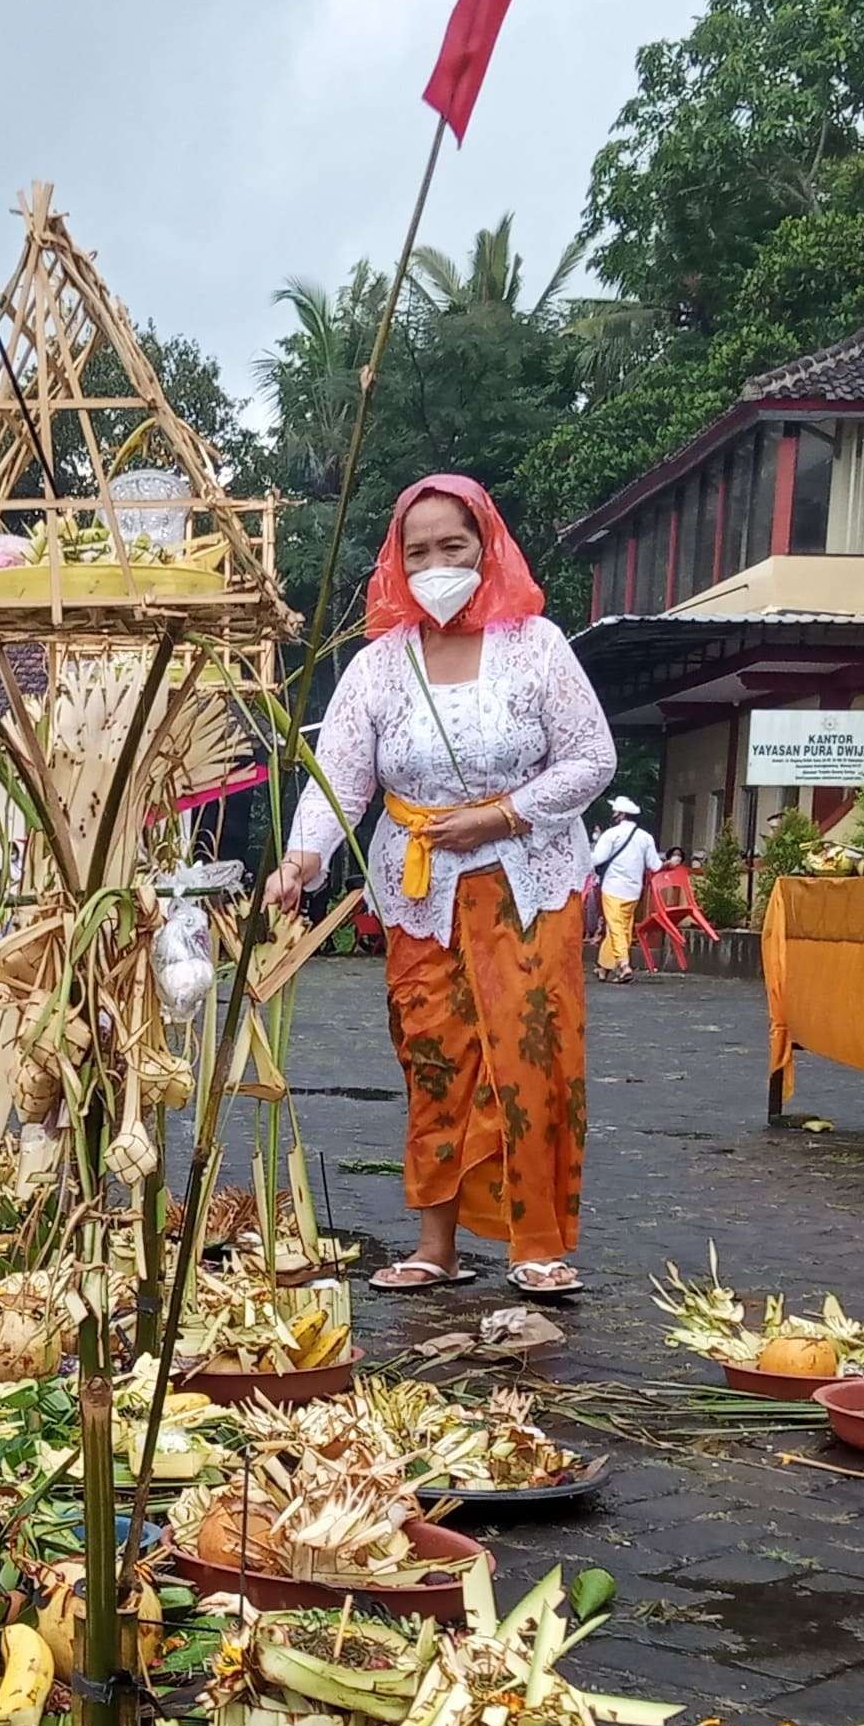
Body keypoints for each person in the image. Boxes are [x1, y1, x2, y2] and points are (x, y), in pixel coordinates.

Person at [263, 473, 615, 1300]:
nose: (435, 563)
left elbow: (592, 760)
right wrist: (301, 859)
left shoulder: (537, 645)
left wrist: (499, 819)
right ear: (397, 561)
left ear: (485, 546)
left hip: (529, 883)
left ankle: (535, 1244)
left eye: (452, 545)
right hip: (420, 894)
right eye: (416, 550)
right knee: (433, 1059)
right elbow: (340, 777)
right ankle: (436, 1246)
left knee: (530, 1055)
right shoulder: (381, 665)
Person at [589, 797, 658, 983]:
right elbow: (655, 865)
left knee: (616, 927)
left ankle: (623, 964)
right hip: (634, 889)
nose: (613, 815)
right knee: (622, 928)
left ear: (620, 814)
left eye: (615, 812)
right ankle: (603, 967)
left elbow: (597, 859)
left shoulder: (611, 834)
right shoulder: (646, 837)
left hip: (613, 887)